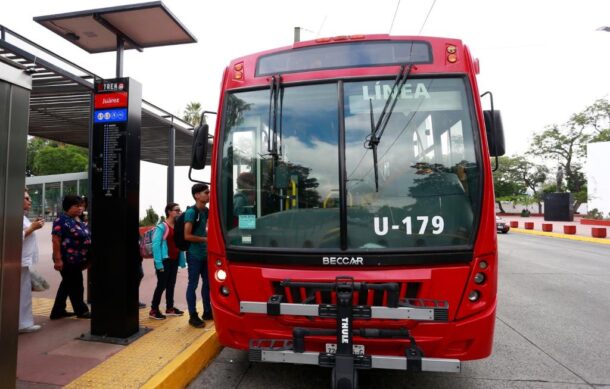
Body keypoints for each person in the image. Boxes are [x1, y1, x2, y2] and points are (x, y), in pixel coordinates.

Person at [50, 195, 91, 320]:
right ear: (68, 207)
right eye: (76, 206)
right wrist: (58, 260)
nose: (80, 208)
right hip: (67, 259)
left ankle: (57, 311)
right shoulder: (61, 220)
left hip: (78, 260)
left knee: (67, 284)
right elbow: (56, 240)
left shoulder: (77, 220)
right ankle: (82, 311)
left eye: (81, 205)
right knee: (76, 285)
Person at [149, 203, 186, 320]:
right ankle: (154, 310)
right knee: (162, 285)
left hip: (174, 260)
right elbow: (155, 245)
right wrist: (158, 263)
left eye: (180, 210)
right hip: (164, 260)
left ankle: (169, 308)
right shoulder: (162, 227)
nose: (179, 212)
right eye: (177, 210)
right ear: (169, 212)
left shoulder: (178, 226)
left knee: (171, 284)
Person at [184, 183, 211, 328]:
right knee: (192, 285)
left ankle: (207, 311)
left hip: (205, 254)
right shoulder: (191, 212)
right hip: (194, 255)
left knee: (208, 284)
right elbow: (187, 236)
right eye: (206, 192)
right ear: (197, 195)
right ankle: (192, 316)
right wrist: (206, 239)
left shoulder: (206, 211)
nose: (208, 195)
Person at [20, 189, 44, 333]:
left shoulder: (23, 217)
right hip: (17, 260)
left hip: (22, 260)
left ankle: (23, 322)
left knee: (24, 293)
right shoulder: (13, 216)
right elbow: (14, 237)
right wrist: (32, 228)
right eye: (26, 198)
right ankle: (22, 324)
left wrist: (33, 226)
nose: (30, 201)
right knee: (21, 293)